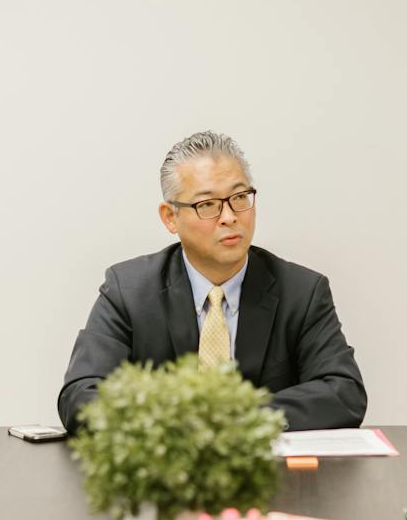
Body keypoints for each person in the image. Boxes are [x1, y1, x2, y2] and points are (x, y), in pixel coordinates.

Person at [58, 130, 365, 432]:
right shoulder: (128, 290)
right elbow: (80, 396)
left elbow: (344, 392)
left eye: (240, 197)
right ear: (170, 217)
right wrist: (177, 421)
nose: (230, 216)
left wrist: (237, 416)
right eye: (207, 205)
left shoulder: (302, 292)